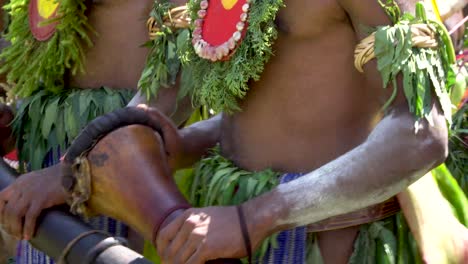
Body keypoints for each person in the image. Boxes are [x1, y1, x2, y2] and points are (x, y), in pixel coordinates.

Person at [0, 0, 467, 264]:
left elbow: (420, 132)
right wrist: (186, 142)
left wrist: (256, 217)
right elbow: (270, 111)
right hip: (218, 232)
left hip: (319, 242)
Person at [0, 0, 189, 262]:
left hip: (119, 178)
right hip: (39, 191)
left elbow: (180, 76)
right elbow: (56, 72)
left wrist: (73, 173)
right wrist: (16, 123)